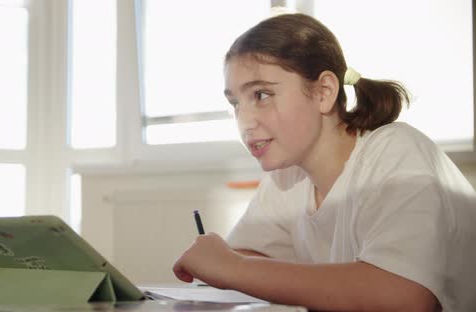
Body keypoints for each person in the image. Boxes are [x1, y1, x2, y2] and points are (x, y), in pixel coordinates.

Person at [172, 13, 476, 312]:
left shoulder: (396, 152)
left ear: (323, 92)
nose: (245, 122)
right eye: (235, 103)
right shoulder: (287, 176)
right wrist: (232, 264)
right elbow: (245, 254)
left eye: (262, 94)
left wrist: (234, 268)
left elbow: (404, 296)